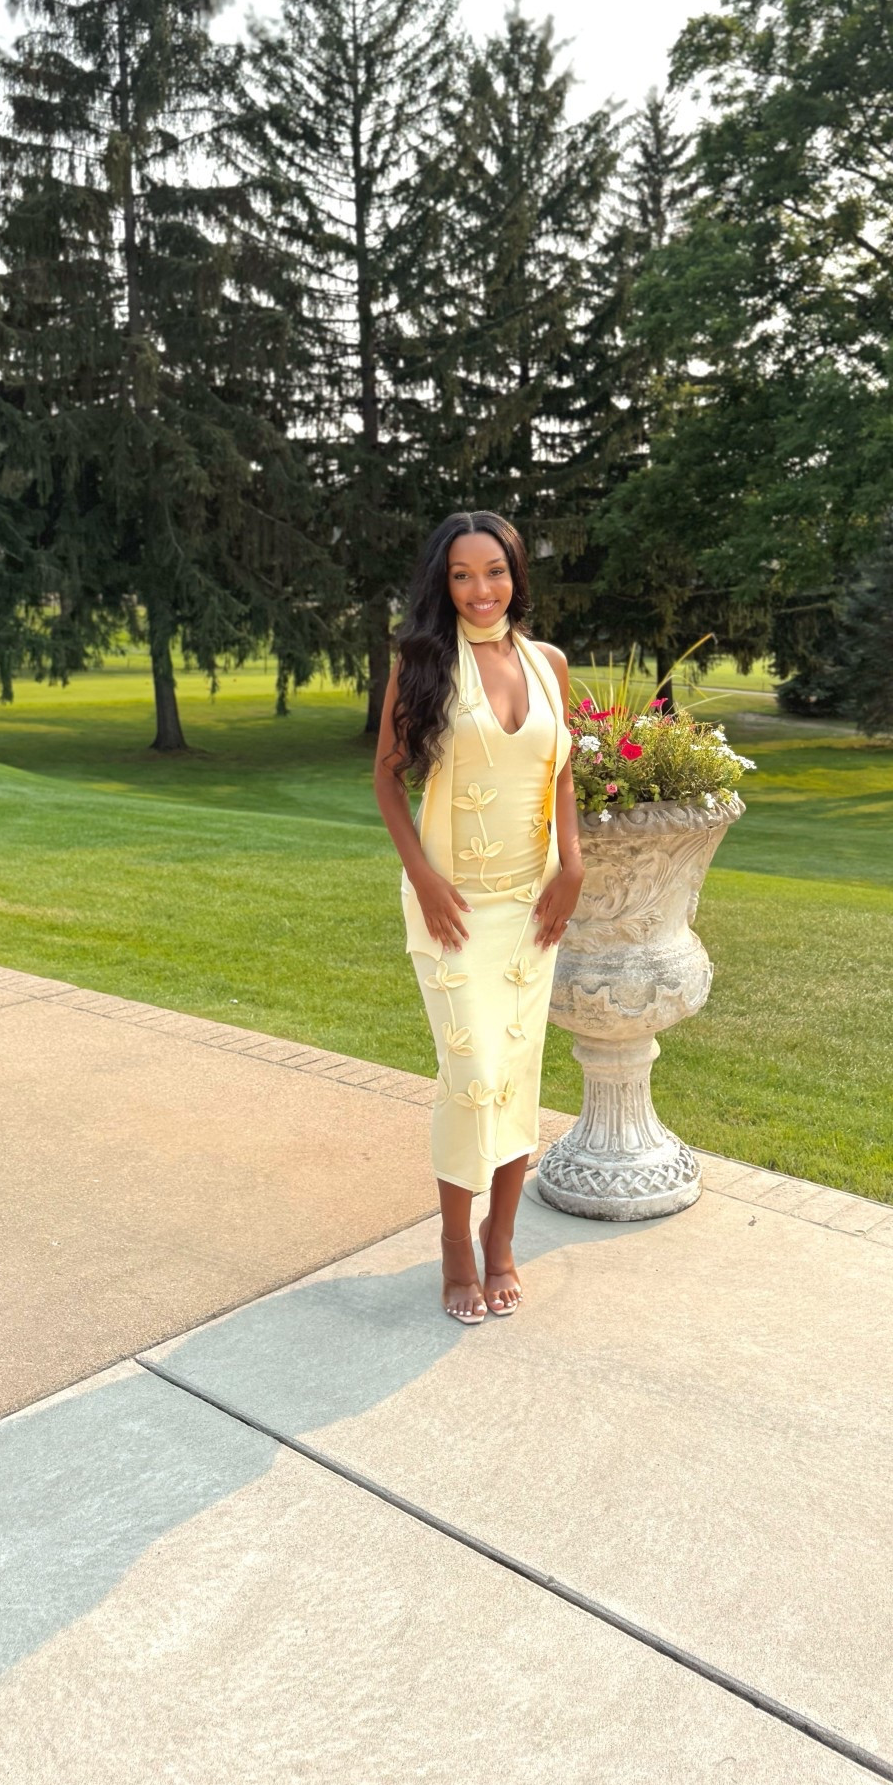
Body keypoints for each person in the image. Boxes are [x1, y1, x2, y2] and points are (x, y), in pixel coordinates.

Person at [374, 511, 582, 1324]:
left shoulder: (549, 663)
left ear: (515, 574)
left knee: (518, 1078)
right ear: (442, 582)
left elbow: (560, 771)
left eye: (493, 571)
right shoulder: (422, 664)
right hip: (453, 910)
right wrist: (422, 878)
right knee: (473, 1080)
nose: (480, 589)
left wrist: (574, 864)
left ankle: (502, 1244)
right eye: (462, 575)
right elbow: (389, 780)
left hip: (532, 912)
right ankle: (456, 1252)